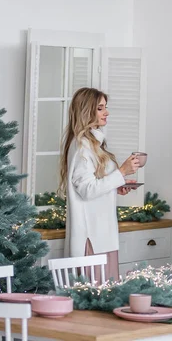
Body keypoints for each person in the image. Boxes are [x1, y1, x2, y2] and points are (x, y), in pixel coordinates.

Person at [58, 87, 140, 281]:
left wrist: (118, 184)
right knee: (96, 294)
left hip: (103, 234)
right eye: (100, 108)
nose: (107, 113)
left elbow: (96, 184)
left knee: (107, 293)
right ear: (87, 111)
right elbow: (87, 190)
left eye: (105, 107)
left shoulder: (94, 143)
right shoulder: (82, 147)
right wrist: (120, 172)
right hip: (92, 236)